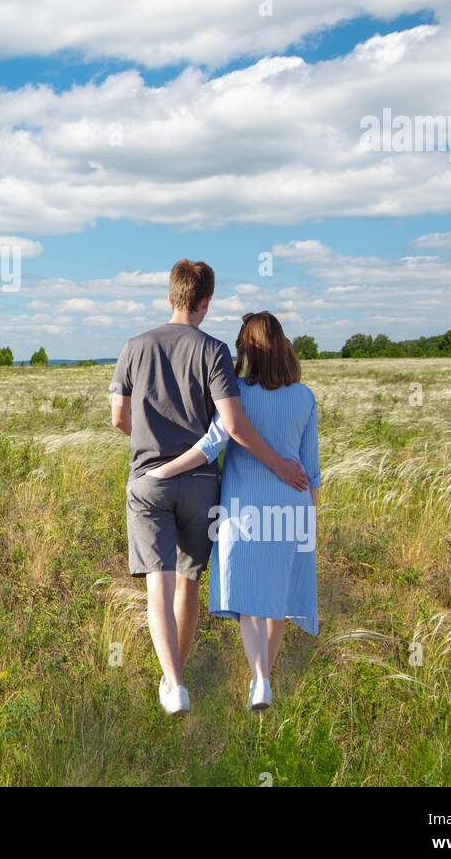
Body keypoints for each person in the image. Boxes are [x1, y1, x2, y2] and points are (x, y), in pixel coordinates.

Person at [110, 262, 309, 715]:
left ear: (169, 296)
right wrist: (279, 464)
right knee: (187, 583)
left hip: (147, 479)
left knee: (155, 584)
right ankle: (177, 673)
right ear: (206, 302)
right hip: (200, 484)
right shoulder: (215, 351)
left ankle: (174, 684)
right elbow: (233, 425)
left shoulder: (133, 347)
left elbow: (119, 418)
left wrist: (149, 443)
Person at [206, 311, 320, 711]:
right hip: (292, 506)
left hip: (243, 509)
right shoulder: (304, 397)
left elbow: (215, 445)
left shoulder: (235, 393)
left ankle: (260, 681)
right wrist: (311, 519)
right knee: (278, 599)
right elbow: (312, 468)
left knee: (249, 598)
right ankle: (264, 680)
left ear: (246, 349)